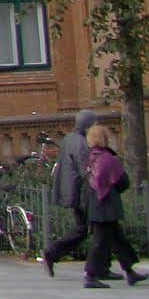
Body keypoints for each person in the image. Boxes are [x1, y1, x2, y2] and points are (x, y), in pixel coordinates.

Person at [82, 123, 149, 289]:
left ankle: (129, 271)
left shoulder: (90, 158)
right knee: (100, 241)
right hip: (106, 205)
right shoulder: (108, 158)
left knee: (118, 239)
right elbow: (122, 181)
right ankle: (90, 275)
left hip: (95, 204)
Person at [43, 108, 98, 277]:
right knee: (90, 229)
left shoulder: (69, 139)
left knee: (93, 229)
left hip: (74, 191)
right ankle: (52, 252)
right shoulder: (81, 143)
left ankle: (104, 267)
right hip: (82, 193)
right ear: (88, 125)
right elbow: (85, 169)